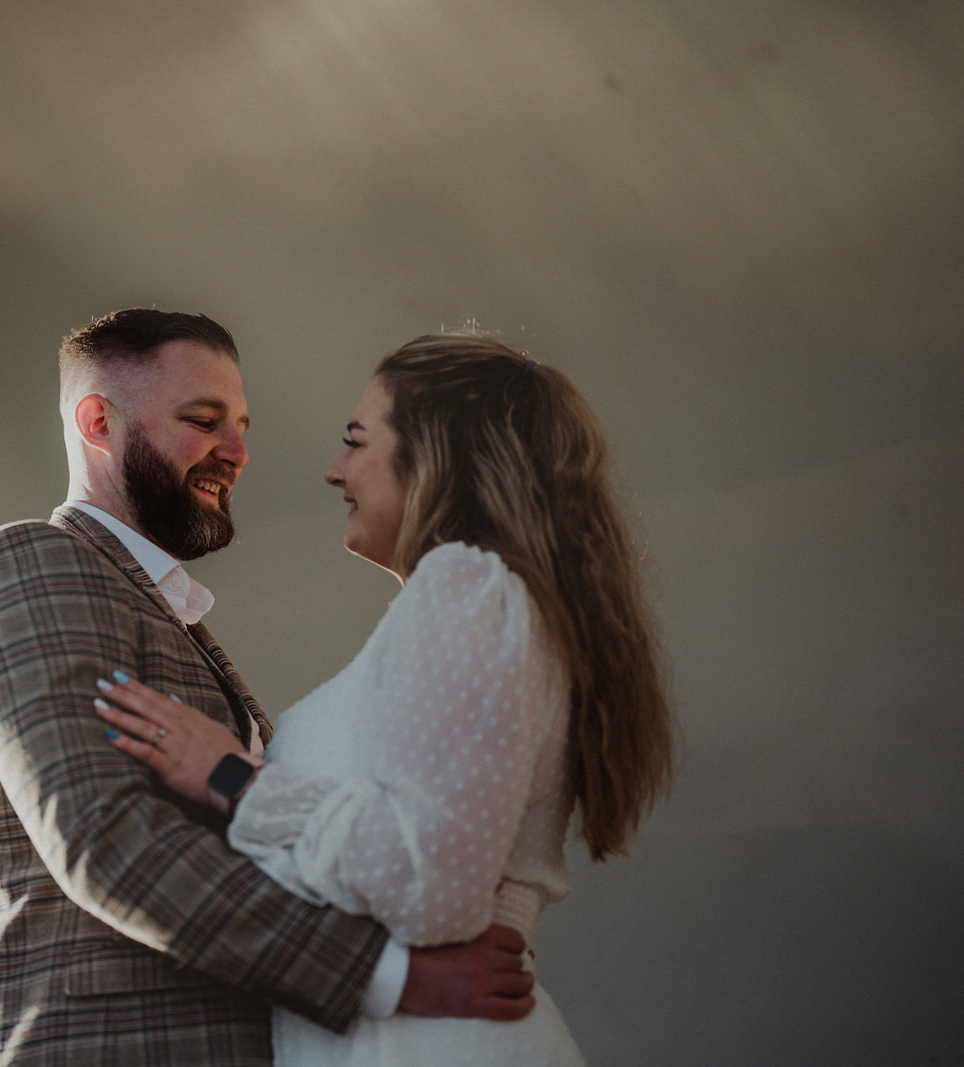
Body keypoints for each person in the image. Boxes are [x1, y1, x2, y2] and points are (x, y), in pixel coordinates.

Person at [0, 311, 539, 1066]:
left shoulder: (167, 616)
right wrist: (392, 976)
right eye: (203, 421)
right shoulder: (37, 563)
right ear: (98, 423)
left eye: (242, 426)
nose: (238, 452)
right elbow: (108, 840)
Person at [96, 333, 675, 1065]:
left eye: (357, 440)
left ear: (434, 456)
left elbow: (429, 883)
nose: (335, 469)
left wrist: (232, 777)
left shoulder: (465, 586)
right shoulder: (492, 607)